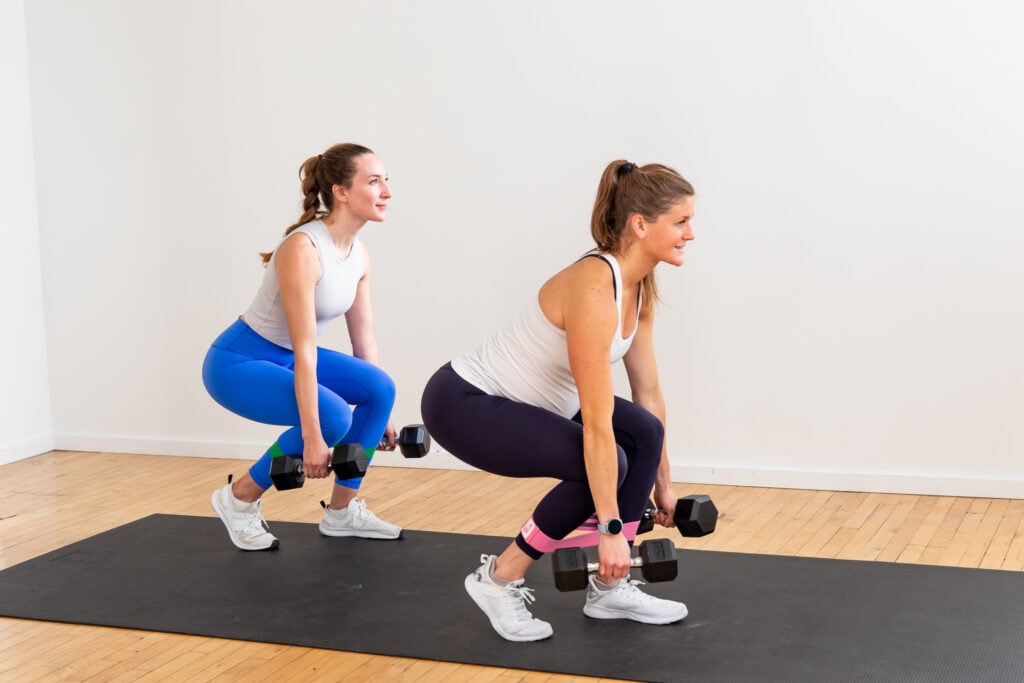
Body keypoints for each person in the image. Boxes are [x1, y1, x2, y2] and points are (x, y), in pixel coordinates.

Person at [420, 159, 696, 641]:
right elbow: (596, 423)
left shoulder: (639, 290)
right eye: (681, 222)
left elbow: (648, 397)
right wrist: (610, 530)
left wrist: (665, 487)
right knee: (605, 461)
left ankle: (610, 588)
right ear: (640, 224)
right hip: (465, 402)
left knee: (644, 434)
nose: (690, 234)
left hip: (536, 403)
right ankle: (498, 577)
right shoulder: (593, 290)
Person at [203, 142, 403, 551]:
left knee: (380, 389)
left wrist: (381, 414)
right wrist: (314, 437)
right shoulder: (302, 249)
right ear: (340, 191)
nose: (386, 191)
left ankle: (342, 513)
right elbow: (305, 349)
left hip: (287, 358)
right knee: (330, 416)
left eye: (386, 181)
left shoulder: (358, 254)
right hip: (238, 361)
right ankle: (238, 498)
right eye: (374, 181)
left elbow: (363, 341)